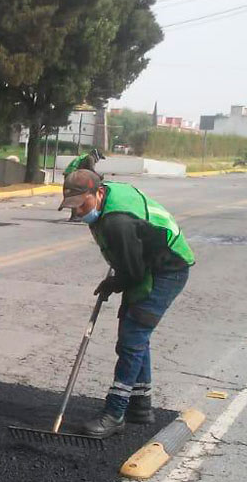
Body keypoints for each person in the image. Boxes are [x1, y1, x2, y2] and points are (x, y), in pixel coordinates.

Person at [57, 169, 194, 437]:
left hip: (166, 269)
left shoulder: (116, 222)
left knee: (132, 337)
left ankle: (115, 412)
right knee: (136, 335)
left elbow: (135, 273)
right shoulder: (107, 199)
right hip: (149, 262)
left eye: (82, 205)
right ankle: (140, 406)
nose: (79, 213)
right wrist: (118, 278)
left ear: (98, 193)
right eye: (73, 208)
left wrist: (115, 283)